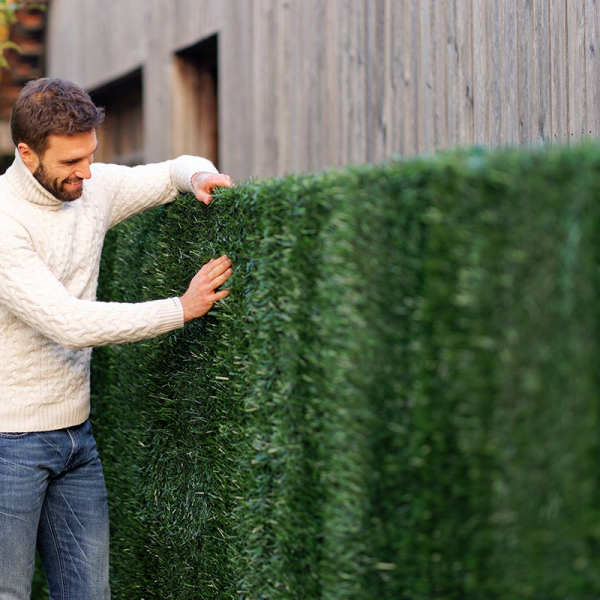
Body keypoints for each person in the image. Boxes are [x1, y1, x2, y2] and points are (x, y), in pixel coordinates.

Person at [0, 78, 234, 599]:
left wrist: (198, 173)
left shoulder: (92, 188)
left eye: (90, 156)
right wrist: (180, 308)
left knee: (89, 594)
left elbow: (171, 171)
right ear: (26, 153)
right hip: (8, 444)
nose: (85, 172)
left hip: (75, 439)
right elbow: (68, 322)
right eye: (69, 163)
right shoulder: (4, 222)